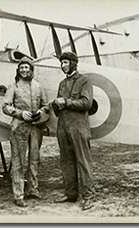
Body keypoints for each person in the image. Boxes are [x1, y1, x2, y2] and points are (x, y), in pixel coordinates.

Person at [52, 52, 96, 210]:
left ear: (73, 63)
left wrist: (66, 102)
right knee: (66, 162)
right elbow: (59, 106)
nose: (63, 66)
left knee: (83, 161)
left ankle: (89, 196)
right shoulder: (62, 83)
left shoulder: (84, 80)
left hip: (78, 127)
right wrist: (55, 104)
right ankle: (71, 194)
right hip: (63, 127)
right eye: (61, 63)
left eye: (65, 62)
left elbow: (86, 103)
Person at [2, 57, 48, 207]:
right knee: (18, 161)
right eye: (21, 68)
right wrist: (20, 113)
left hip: (36, 128)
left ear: (31, 70)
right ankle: (19, 195)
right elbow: (5, 106)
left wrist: (41, 111)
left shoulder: (38, 86)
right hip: (19, 127)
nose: (24, 70)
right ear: (18, 70)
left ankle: (33, 190)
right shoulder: (13, 87)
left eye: (26, 68)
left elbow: (46, 105)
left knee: (34, 159)